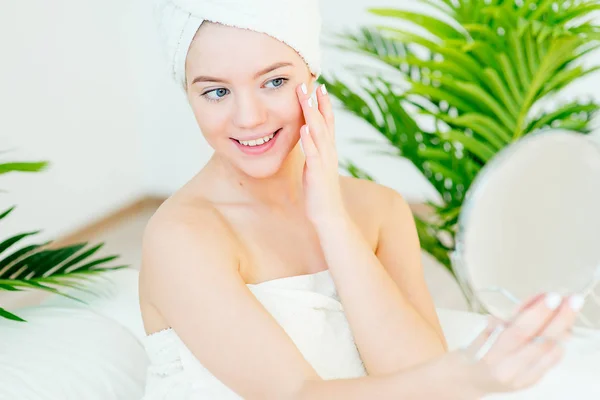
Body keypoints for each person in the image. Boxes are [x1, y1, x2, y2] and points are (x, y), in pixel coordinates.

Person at [138, 0, 583, 398]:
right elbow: (296, 393)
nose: (249, 117)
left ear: (311, 76)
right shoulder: (182, 237)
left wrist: (332, 220)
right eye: (216, 91)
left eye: (274, 82)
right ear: (189, 94)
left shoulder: (379, 210)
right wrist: (469, 377)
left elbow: (415, 375)